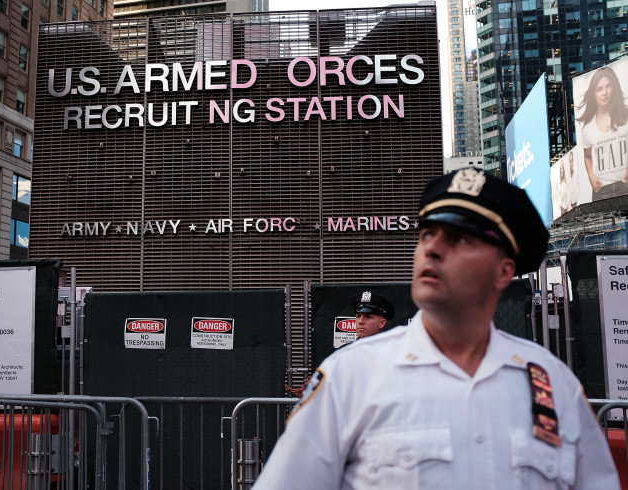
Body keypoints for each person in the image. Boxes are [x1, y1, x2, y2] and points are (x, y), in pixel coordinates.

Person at [253, 167, 620, 489]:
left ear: (504, 271)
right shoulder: (349, 378)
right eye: (427, 234)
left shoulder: (553, 384)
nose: (432, 249)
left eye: (460, 239)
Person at [576, 66, 628, 201]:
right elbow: (587, 156)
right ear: (593, 93)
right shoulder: (587, 128)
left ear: (614, 88)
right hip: (602, 192)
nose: (604, 93)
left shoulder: (625, 116)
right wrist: (591, 176)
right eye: (599, 89)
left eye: (608, 86)